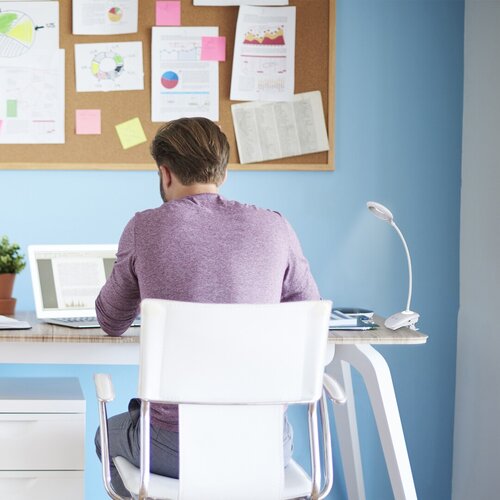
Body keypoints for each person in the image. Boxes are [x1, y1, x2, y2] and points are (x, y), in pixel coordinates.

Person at [94, 117, 320, 497]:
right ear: (224, 173)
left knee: (107, 434)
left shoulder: (144, 228)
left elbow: (111, 320)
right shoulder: (275, 227)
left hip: (173, 448)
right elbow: (307, 315)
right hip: (264, 445)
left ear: (165, 173)